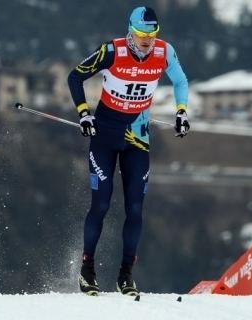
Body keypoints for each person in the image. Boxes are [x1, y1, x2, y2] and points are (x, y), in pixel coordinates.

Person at [67, 6, 189, 296]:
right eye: (142, 34)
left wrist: (182, 112)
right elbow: (75, 76)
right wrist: (84, 113)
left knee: (135, 208)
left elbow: (181, 81)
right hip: (105, 136)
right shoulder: (112, 51)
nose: (147, 40)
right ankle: (87, 271)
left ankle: (126, 276)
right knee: (101, 204)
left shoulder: (164, 52)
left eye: (152, 34)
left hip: (138, 137)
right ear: (131, 31)